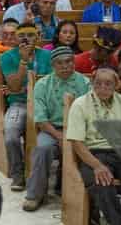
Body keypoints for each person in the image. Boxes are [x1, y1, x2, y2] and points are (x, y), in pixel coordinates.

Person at [66, 67, 121, 225]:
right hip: (94, 153)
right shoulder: (80, 104)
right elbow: (76, 142)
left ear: (116, 84)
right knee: (103, 183)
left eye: (108, 84)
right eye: (98, 83)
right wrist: (97, 166)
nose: (103, 88)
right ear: (92, 83)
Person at [22, 47, 90, 213]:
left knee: (92, 148)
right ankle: (34, 195)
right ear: (53, 66)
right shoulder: (42, 85)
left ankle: (84, 195)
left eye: (68, 62)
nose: (65, 66)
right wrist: (59, 136)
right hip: (51, 129)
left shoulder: (85, 83)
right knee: (42, 148)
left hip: (79, 129)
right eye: (60, 63)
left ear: (74, 62)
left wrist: (73, 135)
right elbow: (41, 119)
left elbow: (90, 114)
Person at [0, 25, 51, 194]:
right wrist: (23, 61)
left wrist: (24, 89)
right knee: (11, 135)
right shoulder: (6, 57)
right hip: (19, 104)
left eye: (30, 35)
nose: (26, 39)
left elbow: (50, 84)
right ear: (15, 38)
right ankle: (17, 174)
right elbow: (14, 86)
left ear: (38, 37)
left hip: (44, 105)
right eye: (21, 35)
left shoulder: (48, 56)